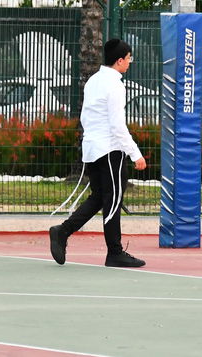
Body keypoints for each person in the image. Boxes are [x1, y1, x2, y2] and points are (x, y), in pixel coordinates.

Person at [48, 38, 148, 269]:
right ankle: (115, 252)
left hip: (93, 148)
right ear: (120, 60)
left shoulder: (94, 80)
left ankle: (62, 231)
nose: (130, 62)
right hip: (110, 150)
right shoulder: (115, 85)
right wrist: (135, 154)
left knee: (99, 198)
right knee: (113, 201)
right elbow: (117, 125)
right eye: (129, 58)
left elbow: (87, 116)